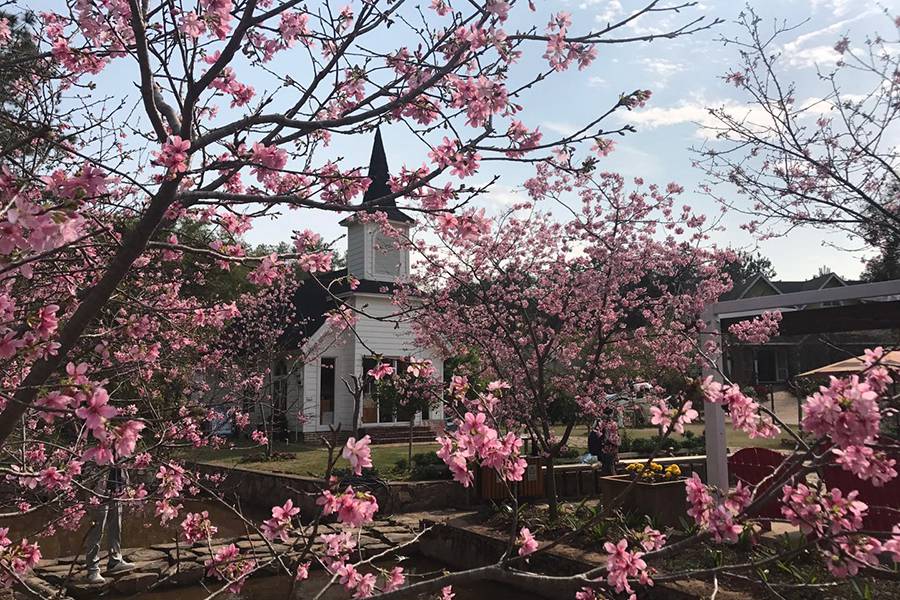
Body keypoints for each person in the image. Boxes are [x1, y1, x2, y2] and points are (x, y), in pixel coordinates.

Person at [84, 465, 135, 584]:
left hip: (117, 489)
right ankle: (92, 569)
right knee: (97, 530)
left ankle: (115, 561)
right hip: (98, 490)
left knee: (116, 527)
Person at [588, 411, 620, 476]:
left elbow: (615, 441)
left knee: (609, 468)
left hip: (606, 453)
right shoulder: (598, 431)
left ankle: (611, 480)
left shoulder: (609, 428)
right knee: (609, 468)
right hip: (602, 454)